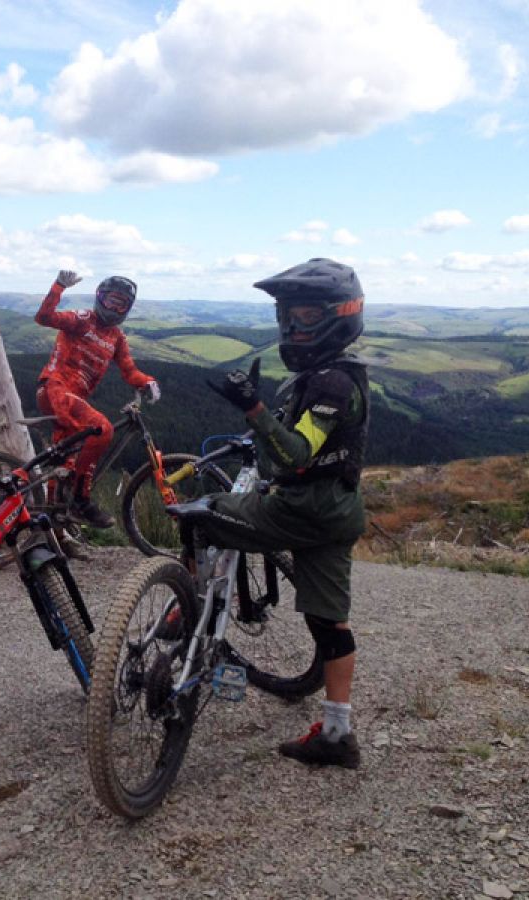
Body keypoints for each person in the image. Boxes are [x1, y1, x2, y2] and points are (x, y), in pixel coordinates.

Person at [199, 257, 369, 769]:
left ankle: (185, 609)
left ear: (341, 315)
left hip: (304, 508)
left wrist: (252, 409)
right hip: (338, 512)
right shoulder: (335, 376)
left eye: (308, 317)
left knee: (202, 510)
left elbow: (297, 454)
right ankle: (337, 733)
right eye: (287, 317)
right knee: (329, 624)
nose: (294, 328)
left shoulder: (332, 386)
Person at [35, 270, 160, 529]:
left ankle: (54, 533)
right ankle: (81, 501)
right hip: (55, 389)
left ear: (127, 308)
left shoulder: (117, 338)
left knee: (63, 462)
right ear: (99, 298)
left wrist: (147, 381)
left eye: (121, 303)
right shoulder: (82, 319)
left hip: (73, 399)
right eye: (110, 300)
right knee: (102, 429)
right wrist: (58, 286)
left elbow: (129, 370)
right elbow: (44, 317)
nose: (114, 307)